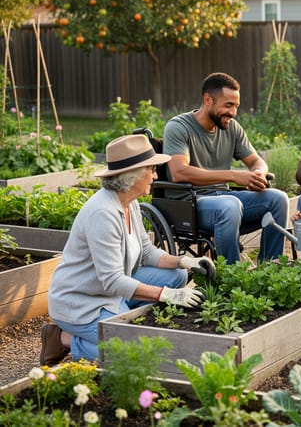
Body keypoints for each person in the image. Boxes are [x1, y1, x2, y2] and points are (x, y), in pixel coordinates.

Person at [42, 134, 212, 365]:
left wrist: (184, 262)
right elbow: (112, 281)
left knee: (176, 275)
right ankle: (65, 338)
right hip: (83, 301)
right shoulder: (103, 213)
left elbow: (146, 251)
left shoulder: (129, 202)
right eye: (151, 169)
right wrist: (167, 295)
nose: (155, 175)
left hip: (114, 289)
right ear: (131, 176)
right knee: (131, 354)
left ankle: (123, 318)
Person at [163, 72, 290, 264]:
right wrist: (232, 175)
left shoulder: (232, 128)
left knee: (278, 199)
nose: (233, 112)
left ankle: (269, 269)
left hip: (225, 199)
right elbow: (179, 172)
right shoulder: (178, 127)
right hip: (191, 203)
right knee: (229, 205)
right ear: (208, 100)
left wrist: (258, 174)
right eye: (228, 105)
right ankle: (232, 278)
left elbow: (257, 161)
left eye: (236, 106)